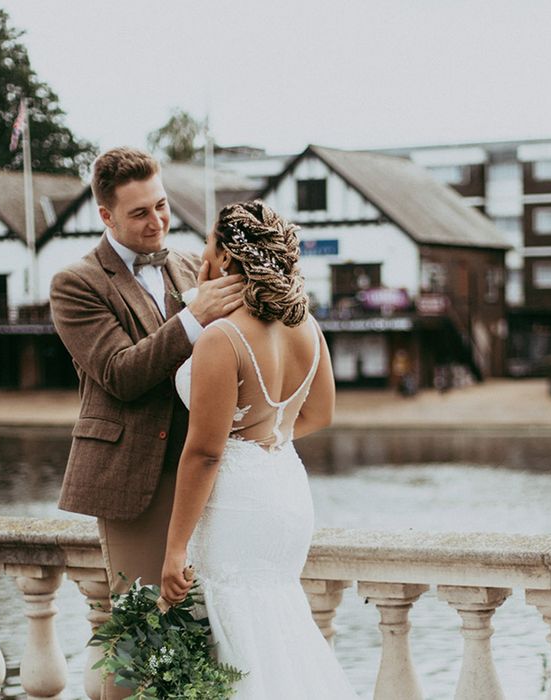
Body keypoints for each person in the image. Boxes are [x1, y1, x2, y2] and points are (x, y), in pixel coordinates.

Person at [49, 147, 243, 700]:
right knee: (140, 642)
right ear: (106, 216)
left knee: (201, 638)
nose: (156, 222)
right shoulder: (76, 284)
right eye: (139, 213)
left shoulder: (189, 265)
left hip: (204, 475)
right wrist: (193, 316)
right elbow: (120, 373)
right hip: (130, 477)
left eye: (161, 206)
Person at [161, 200, 358, 699]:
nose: (201, 252)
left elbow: (204, 452)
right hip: (285, 491)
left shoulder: (221, 338)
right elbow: (319, 415)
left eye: (208, 242)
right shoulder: (307, 327)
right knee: (273, 623)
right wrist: (268, 438)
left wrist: (175, 549)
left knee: (237, 634)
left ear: (225, 256)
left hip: (236, 505)